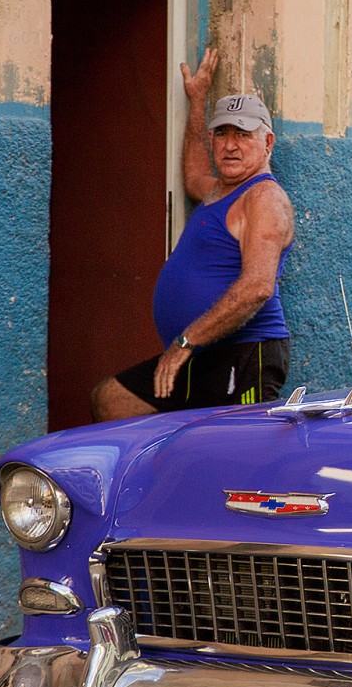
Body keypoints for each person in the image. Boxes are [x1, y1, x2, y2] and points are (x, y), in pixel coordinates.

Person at [90, 47, 296, 421]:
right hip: (202, 351)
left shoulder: (263, 197)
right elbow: (193, 175)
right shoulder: (221, 190)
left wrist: (185, 342)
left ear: (267, 144)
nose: (230, 145)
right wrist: (198, 100)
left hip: (244, 352)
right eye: (222, 134)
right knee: (113, 400)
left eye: (243, 135)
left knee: (235, 451)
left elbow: (258, 287)